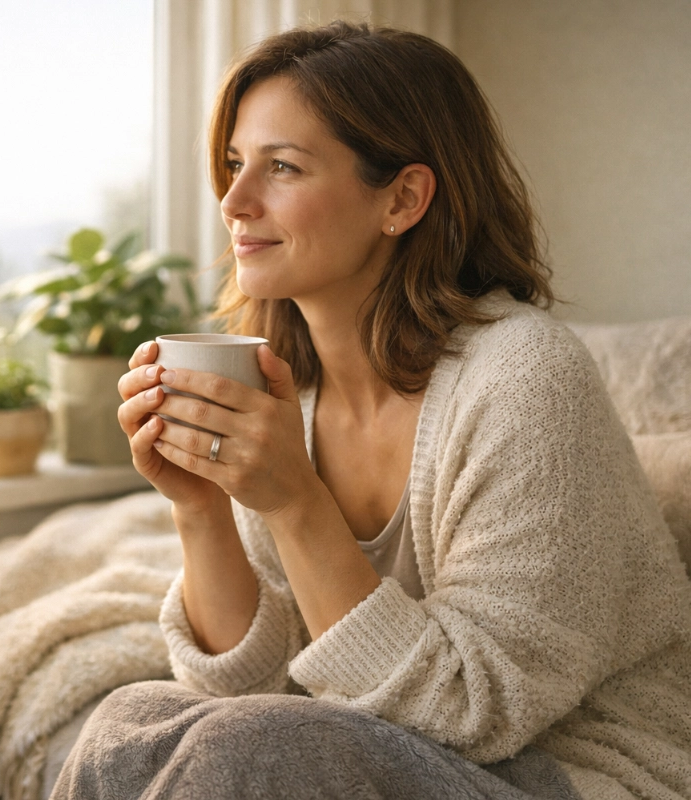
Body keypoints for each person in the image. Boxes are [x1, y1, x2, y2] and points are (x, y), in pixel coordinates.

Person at [52, 21, 691, 800]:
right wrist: (201, 506)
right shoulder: (288, 384)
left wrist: (293, 499)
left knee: (249, 749)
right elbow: (254, 681)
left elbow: (474, 709)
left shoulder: (525, 377)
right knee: (128, 719)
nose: (234, 201)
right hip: (391, 738)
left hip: (574, 768)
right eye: (232, 165)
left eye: (281, 167)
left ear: (403, 197)